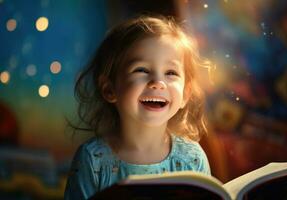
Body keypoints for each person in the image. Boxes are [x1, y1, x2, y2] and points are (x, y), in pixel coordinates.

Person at [64, 15, 211, 199]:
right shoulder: (92, 160)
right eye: (141, 70)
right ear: (109, 89)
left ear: (185, 95)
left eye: (171, 73)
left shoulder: (192, 159)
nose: (158, 82)